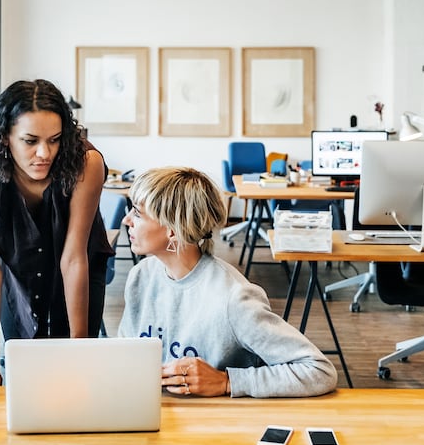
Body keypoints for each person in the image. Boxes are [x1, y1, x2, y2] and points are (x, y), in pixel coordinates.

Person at [118, 166, 337, 398]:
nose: (126, 220)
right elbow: (123, 352)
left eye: (138, 213)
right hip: (151, 409)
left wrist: (226, 381)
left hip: (213, 424)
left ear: (173, 229)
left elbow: (319, 371)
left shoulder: (234, 298)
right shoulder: (140, 276)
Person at [0, 79, 114, 385]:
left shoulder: (86, 163)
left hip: (79, 266)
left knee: (73, 378)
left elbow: (74, 258)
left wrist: (79, 349)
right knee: (25, 370)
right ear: (5, 137)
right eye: (30, 141)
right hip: (15, 273)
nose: (44, 153)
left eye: (54, 140)